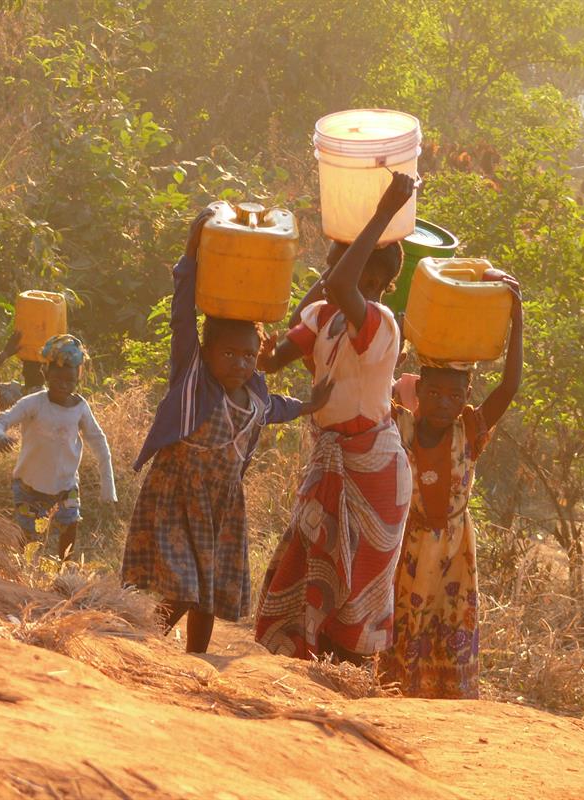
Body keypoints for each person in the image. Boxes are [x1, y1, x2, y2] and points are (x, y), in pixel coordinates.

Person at [120, 208, 332, 654]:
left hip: (223, 502)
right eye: (229, 355)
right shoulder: (192, 377)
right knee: (183, 583)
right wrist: (190, 253)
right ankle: (140, 643)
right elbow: (182, 317)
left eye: (248, 356)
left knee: (209, 591)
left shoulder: (254, 394)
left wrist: (312, 404)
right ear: (208, 351)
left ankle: (197, 661)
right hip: (179, 493)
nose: (240, 364)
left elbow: (277, 408)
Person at [255, 172, 417, 664]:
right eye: (337, 267)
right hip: (332, 459)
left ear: (379, 284)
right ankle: (311, 668)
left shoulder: (382, 325)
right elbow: (270, 359)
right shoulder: (325, 317)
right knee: (309, 562)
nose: (334, 277)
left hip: (376, 471)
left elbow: (345, 283)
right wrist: (321, 288)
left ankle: (346, 682)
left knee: (359, 588)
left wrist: (384, 213)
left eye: (371, 280)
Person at [379, 273, 523, 698]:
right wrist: (403, 329)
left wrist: (517, 318)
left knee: (449, 620)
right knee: (403, 620)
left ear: (466, 395)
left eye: (453, 396)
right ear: (418, 391)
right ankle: (392, 694)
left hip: (455, 550)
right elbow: (374, 381)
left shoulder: (469, 431)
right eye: (436, 394)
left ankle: (446, 702)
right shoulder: (400, 424)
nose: (444, 404)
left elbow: (510, 385)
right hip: (408, 542)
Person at [0, 335, 116, 559]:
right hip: (29, 488)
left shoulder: (80, 408)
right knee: (28, 541)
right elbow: (0, 420)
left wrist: (108, 488)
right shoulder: (33, 403)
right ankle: (20, 574)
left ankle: (63, 572)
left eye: (70, 381)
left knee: (70, 528)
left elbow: (99, 442)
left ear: (78, 379)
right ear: (46, 374)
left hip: (66, 487)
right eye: (57, 379)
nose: (63, 386)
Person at [0, 330, 45, 411]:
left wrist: (3, 355)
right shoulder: (11, 391)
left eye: (38, 364)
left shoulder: (48, 401)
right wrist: (4, 354)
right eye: (28, 362)